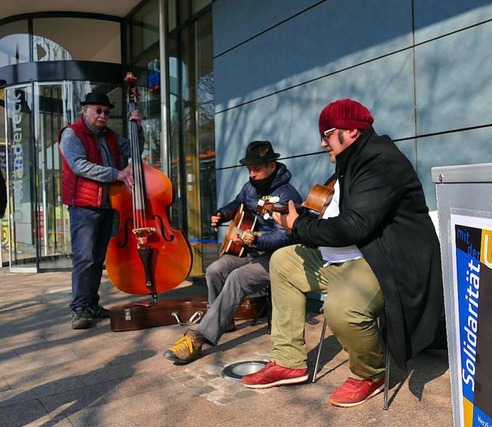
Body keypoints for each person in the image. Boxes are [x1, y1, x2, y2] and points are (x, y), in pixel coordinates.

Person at [241, 99, 444, 408]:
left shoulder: (381, 163)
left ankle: (369, 373)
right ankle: (288, 360)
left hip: (387, 259)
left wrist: (298, 226)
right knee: (282, 261)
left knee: (341, 307)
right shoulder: (350, 163)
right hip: (353, 252)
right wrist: (298, 222)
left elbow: (354, 227)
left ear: (351, 131)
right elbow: (337, 222)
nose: (323, 142)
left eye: (327, 134)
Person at [163, 140, 302, 365]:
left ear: (272, 165)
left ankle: (200, 337)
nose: (252, 173)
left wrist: (254, 240)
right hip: (251, 249)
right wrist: (222, 214)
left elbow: (284, 236)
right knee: (215, 269)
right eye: (249, 169)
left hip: (278, 256)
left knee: (238, 277)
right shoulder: (250, 187)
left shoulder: (287, 195)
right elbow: (238, 204)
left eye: (256, 168)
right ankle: (223, 320)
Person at [59, 92, 142, 330]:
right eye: (98, 110)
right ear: (84, 110)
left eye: (106, 111)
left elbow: (134, 151)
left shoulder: (111, 136)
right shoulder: (71, 134)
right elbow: (79, 166)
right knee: (84, 258)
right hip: (84, 205)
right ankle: (78, 308)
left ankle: (91, 304)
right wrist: (117, 174)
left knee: (96, 258)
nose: (103, 115)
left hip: (108, 203)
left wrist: (138, 128)